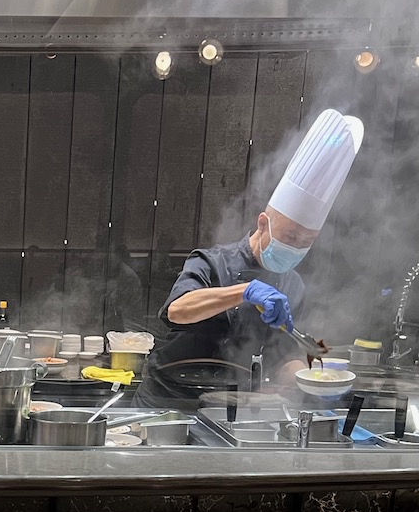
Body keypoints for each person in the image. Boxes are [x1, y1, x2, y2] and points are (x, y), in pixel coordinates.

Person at [136, 109, 364, 404]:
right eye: (291, 236)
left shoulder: (292, 286)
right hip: (165, 399)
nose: (296, 247)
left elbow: (282, 358)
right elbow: (177, 311)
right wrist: (245, 292)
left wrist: (313, 381)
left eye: (306, 242)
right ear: (262, 224)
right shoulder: (210, 261)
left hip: (225, 407)